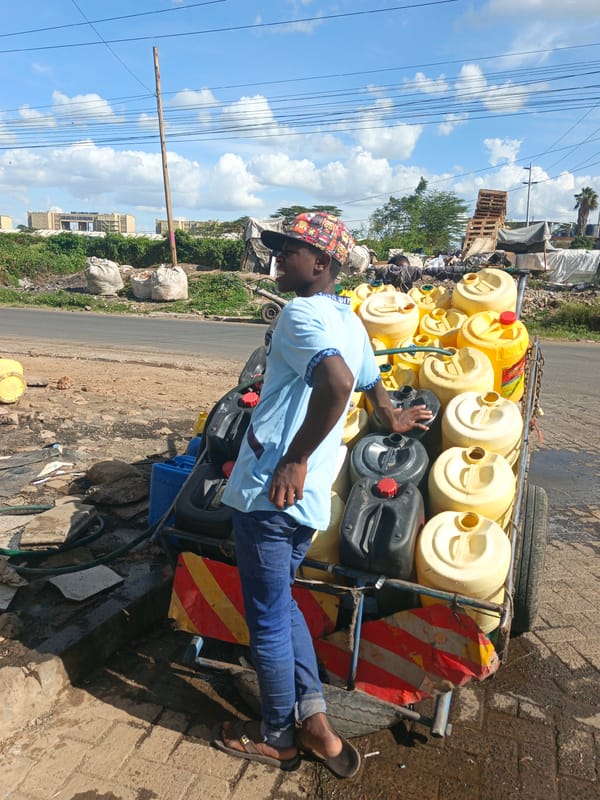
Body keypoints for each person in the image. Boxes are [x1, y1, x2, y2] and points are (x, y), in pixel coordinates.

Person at [212, 211, 432, 778]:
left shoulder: (302, 313)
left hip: (272, 492)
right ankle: (316, 723)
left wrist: (294, 458)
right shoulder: (349, 320)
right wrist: (396, 419)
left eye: (292, 250)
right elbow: (371, 391)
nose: (280, 257)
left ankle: (279, 738)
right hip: (306, 503)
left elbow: (337, 384)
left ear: (323, 263)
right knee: (280, 603)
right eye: (280, 247)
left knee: (265, 616)